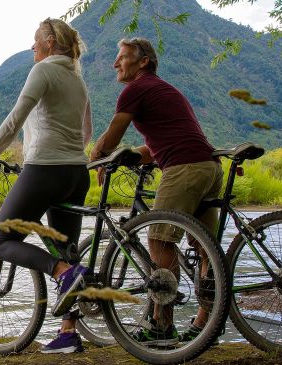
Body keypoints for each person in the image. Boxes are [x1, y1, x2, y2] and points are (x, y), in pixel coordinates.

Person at [90, 37, 223, 345]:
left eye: (122, 57)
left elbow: (112, 134)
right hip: (208, 166)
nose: (115, 63)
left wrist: (96, 158)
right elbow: (154, 146)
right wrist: (133, 156)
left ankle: (161, 324)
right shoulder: (164, 89)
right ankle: (207, 322)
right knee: (207, 250)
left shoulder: (135, 90)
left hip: (184, 168)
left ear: (143, 61)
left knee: (159, 239)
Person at [0, 18, 92, 354]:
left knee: (1, 240)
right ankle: (68, 333)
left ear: (50, 42)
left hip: (45, 170)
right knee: (64, 248)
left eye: (35, 41)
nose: (32, 47)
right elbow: (86, 134)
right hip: (76, 173)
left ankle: (61, 272)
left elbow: (15, 118)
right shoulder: (77, 79)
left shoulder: (43, 71)